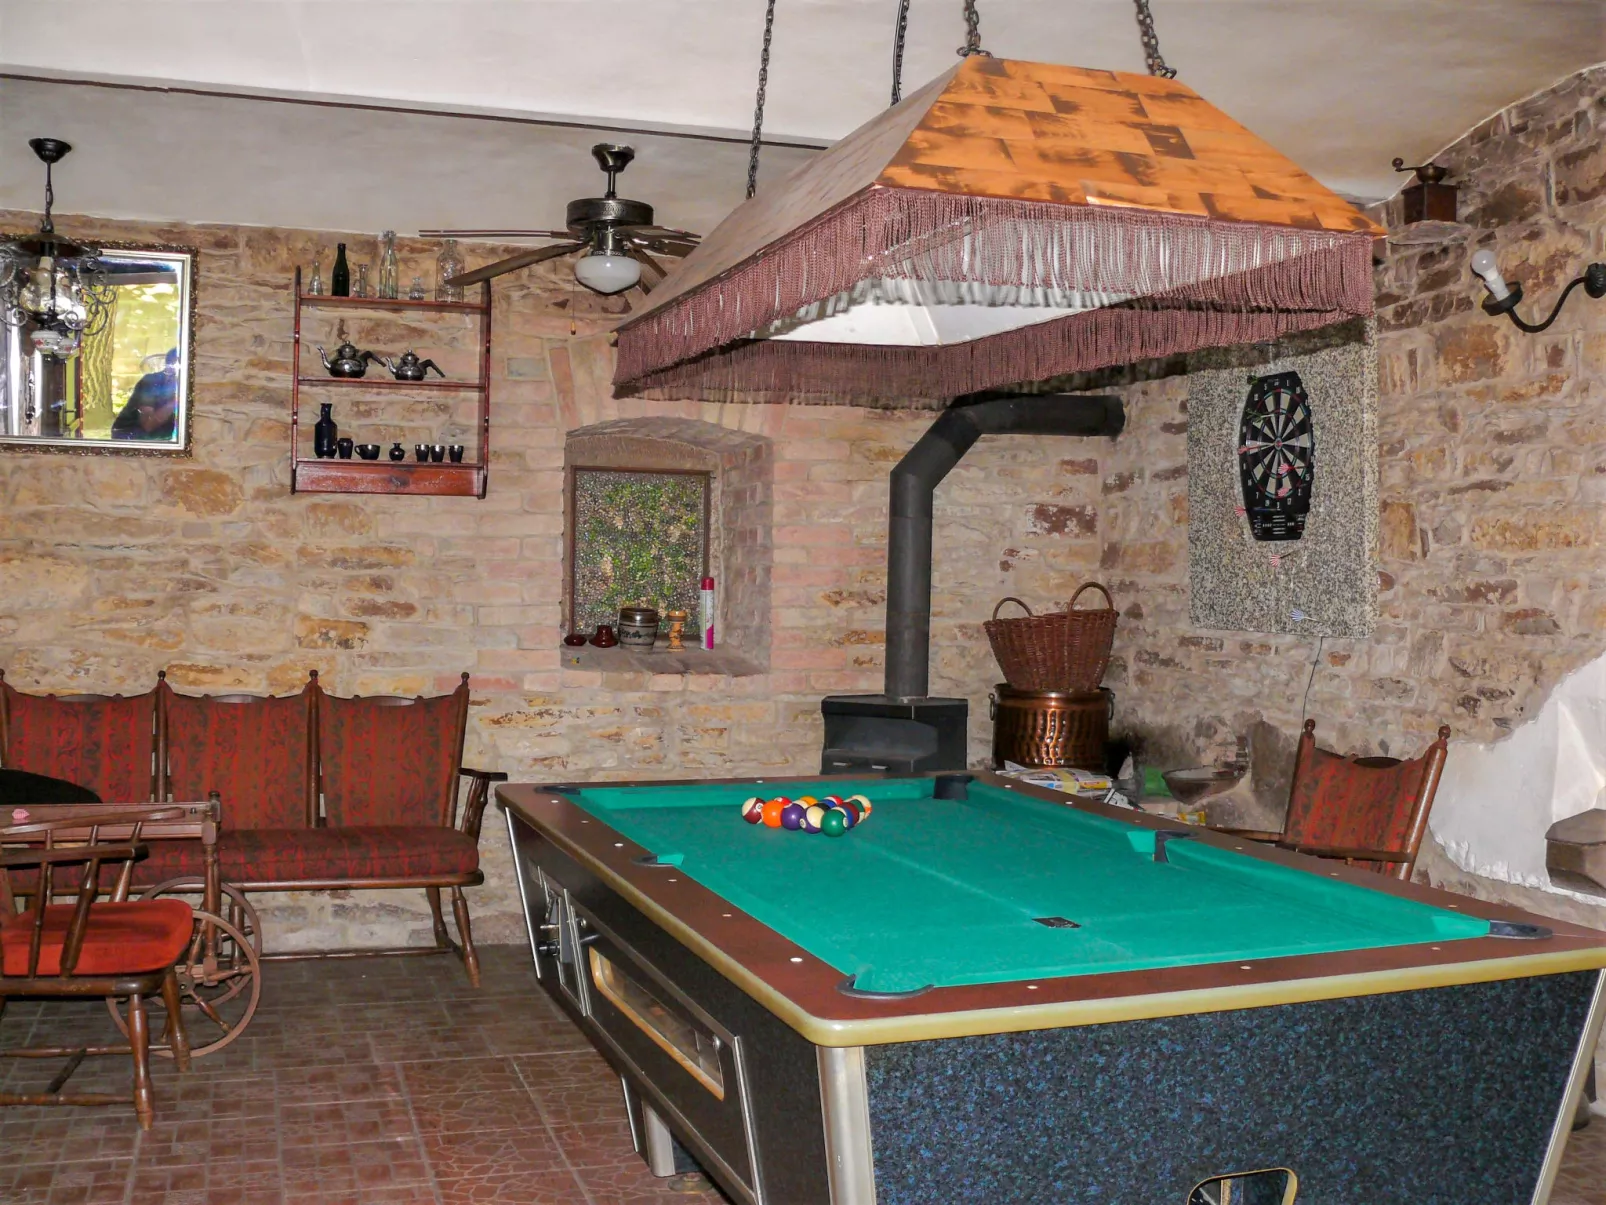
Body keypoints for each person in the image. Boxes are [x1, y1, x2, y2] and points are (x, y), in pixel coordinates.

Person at [111, 348, 179, 440]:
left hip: (161, 437)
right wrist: (176, 401)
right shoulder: (150, 381)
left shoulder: (180, 385)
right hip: (130, 437)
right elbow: (148, 425)